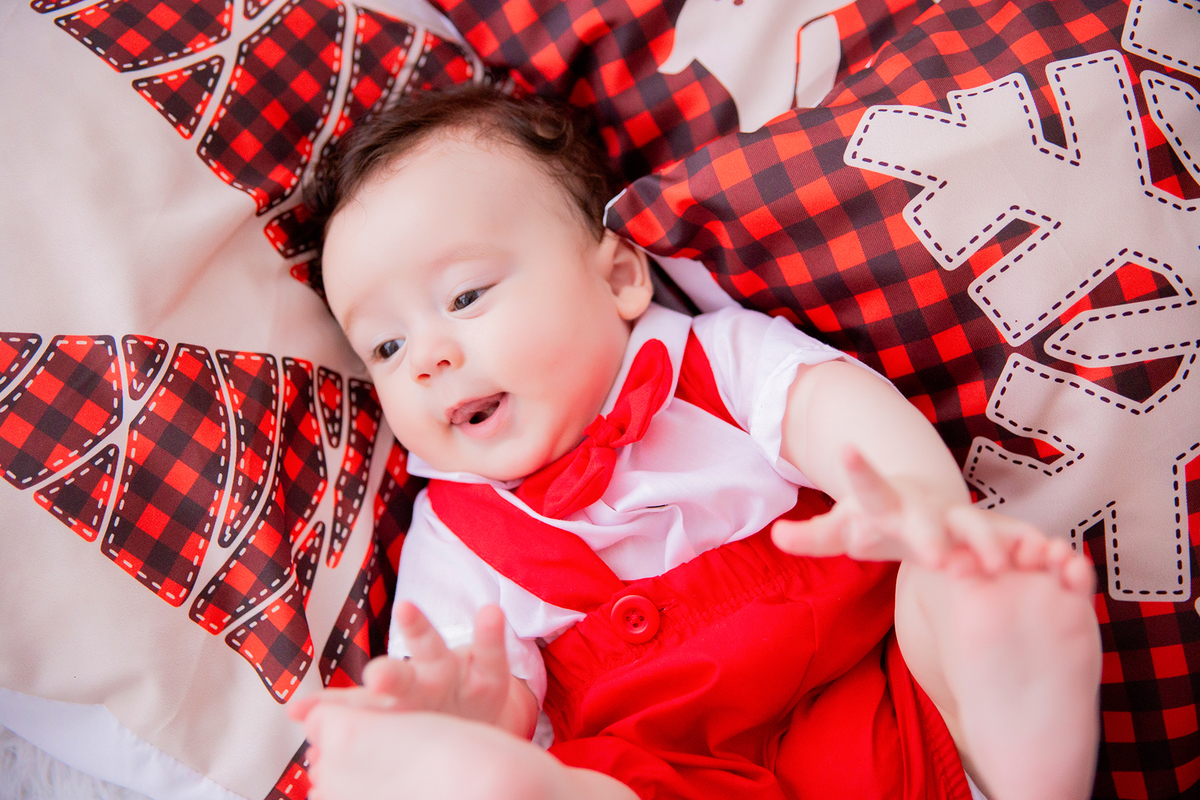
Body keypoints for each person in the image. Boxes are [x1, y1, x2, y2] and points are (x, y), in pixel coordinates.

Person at [289, 84, 1102, 800]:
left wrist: (917, 502)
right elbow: (467, 657)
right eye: (386, 348)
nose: (429, 358)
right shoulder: (456, 533)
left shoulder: (716, 363)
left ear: (618, 280)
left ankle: (1019, 741)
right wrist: (481, 717)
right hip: (667, 781)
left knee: (948, 590)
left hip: (879, 714)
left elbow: (824, 407)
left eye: (465, 295)